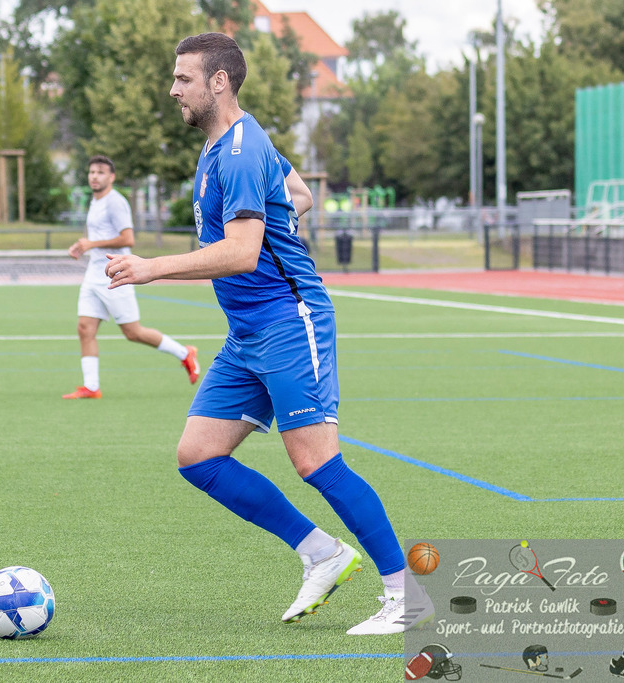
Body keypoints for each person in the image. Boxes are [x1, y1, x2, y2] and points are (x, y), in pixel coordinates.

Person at [105, 33, 432, 635]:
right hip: (248, 332)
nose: (173, 88)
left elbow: (243, 253)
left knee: (315, 461)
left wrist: (151, 268)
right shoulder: (227, 146)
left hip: (290, 320)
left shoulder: (239, 151)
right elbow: (299, 194)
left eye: (183, 78)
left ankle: (405, 594)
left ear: (219, 82)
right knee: (198, 456)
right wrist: (280, 218)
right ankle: (321, 554)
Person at [62, 155, 199, 399]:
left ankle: (184, 353)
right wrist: (83, 246)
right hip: (93, 275)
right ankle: (91, 387)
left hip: (115, 273)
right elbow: (98, 236)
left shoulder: (115, 202)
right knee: (85, 328)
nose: (95, 176)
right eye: (92, 172)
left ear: (111, 177)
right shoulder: (95, 201)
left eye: (101, 172)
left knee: (133, 332)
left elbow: (128, 239)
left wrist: (91, 243)